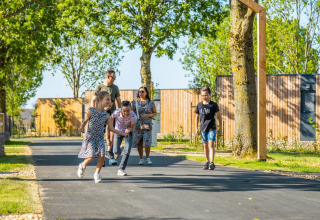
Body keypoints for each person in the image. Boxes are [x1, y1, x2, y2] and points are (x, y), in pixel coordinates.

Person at [77, 91, 127, 183]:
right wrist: (81, 127)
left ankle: (97, 174)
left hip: (100, 137)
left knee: (102, 155)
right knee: (91, 156)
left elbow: (111, 128)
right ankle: (82, 166)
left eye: (110, 100)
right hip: (91, 136)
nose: (109, 101)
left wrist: (123, 134)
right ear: (100, 100)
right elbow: (85, 121)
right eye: (107, 99)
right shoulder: (91, 111)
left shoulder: (107, 115)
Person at [91, 70, 121, 166]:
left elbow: (119, 101)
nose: (114, 79)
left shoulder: (115, 88)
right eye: (113, 77)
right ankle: (101, 156)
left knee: (111, 132)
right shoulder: (100, 87)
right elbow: (93, 100)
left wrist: (120, 112)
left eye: (115, 77)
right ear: (108, 77)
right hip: (100, 113)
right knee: (100, 134)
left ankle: (109, 153)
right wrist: (94, 111)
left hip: (112, 113)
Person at [195, 87, 222, 170]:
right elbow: (196, 117)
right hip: (203, 128)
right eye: (203, 95)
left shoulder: (213, 105)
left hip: (211, 127)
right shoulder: (199, 105)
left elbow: (219, 116)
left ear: (209, 94)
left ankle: (212, 162)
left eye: (206, 95)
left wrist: (220, 128)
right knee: (205, 145)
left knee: (211, 145)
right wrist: (196, 128)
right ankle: (207, 162)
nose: (204, 97)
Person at [132, 87, 157, 165]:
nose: (141, 93)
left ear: (146, 93)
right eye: (139, 92)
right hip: (138, 125)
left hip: (147, 125)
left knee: (147, 141)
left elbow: (155, 113)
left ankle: (148, 157)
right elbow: (132, 114)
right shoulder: (135, 102)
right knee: (139, 142)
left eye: (142, 92)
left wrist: (148, 115)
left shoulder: (150, 102)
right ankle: (141, 158)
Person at [111, 101, 137, 176]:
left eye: (128, 111)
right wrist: (112, 130)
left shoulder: (133, 116)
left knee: (128, 150)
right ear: (121, 109)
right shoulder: (116, 112)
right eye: (124, 111)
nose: (126, 113)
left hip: (127, 132)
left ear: (131, 109)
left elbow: (133, 127)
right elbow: (110, 119)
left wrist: (129, 130)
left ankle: (121, 169)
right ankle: (119, 151)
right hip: (118, 131)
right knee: (115, 152)